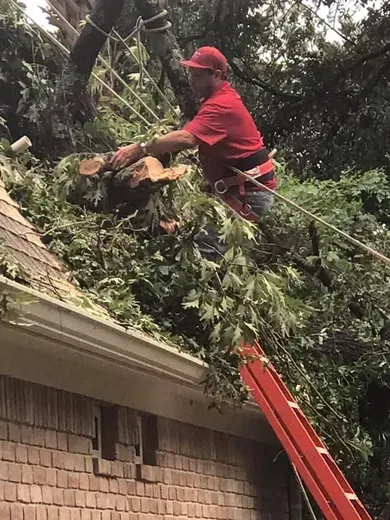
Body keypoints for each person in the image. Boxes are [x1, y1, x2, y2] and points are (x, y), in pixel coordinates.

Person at [111, 46, 276, 253]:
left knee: (204, 249)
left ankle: (190, 282)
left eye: (197, 75)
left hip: (248, 192)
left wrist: (140, 147)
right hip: (237, 187)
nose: (191, 79)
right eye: (190, 73)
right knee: (196, 239)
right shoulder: (214, 98)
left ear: (216, 75)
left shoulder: (222, 104)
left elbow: (188, 138)